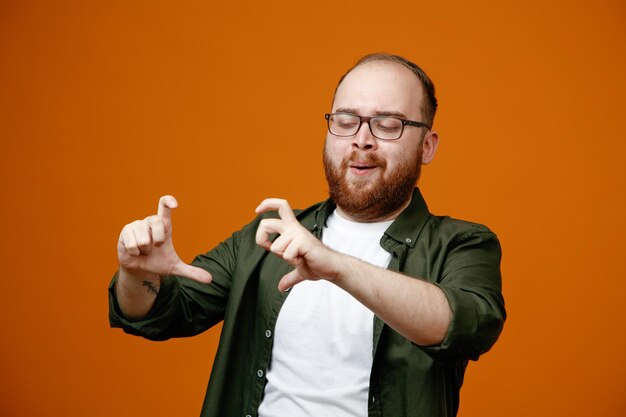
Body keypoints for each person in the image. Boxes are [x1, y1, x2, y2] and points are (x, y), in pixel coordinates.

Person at [109, 53, 506, 417]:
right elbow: (158, 314)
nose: (361, 139)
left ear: (427, 146)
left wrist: (336, 266)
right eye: (346, 120)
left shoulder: (463, 244)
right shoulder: (267, 237)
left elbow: (464, 327)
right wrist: (137, 273)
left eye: (388, 124)